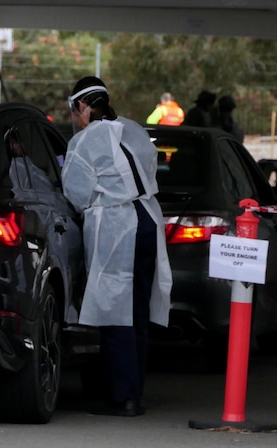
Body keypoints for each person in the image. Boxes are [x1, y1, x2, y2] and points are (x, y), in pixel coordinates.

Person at [61, 76, 172, 417]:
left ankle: (121, 397)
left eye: (73, 110)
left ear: (82, 106)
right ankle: (133, 393)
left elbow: (76, 193)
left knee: (115, 312)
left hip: (116, 225)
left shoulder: (83, 141)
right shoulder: (133, 128)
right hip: (147, 219)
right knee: (136, 311)